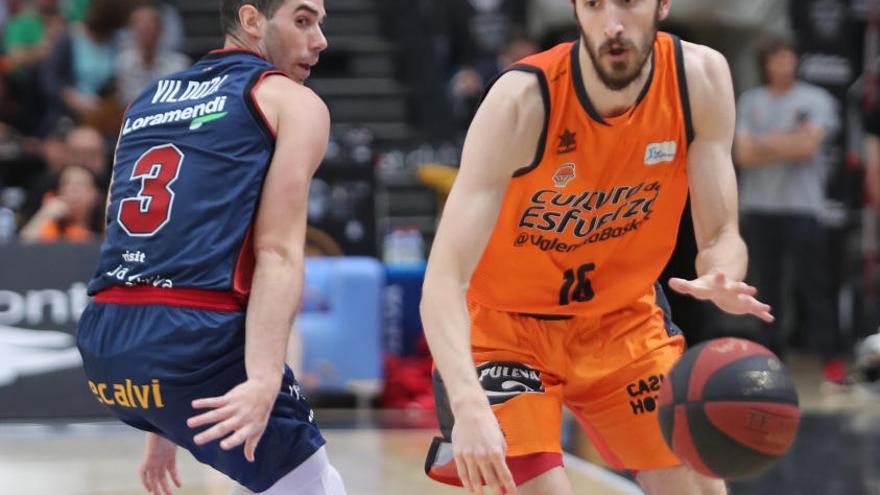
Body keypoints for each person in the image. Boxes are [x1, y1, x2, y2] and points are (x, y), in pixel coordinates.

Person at [420, 1, 772, 494]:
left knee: (697, 483)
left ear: (662, 5)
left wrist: (723, 273)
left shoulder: (699, 79)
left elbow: (720, 235)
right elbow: (443, 280)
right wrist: (467, 401)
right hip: (503, 332)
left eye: (628, 1)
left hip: (622, 321)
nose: (612, 23)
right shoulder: (523, 100)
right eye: (593, 4)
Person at [75, 1, 346, 494]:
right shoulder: (289, 100)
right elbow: (279, 253)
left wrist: (164, 422)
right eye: (303, 21)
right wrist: (264, 380)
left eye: (320, 25)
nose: (320, 40)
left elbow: (129, 230)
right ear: (251, 21)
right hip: (195, 343)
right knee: (316, 488)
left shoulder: (147, 99)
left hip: (105, 344)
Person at [733, 35, 845, 384]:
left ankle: (831, 360)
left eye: (788, 57)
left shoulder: (815, 99)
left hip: (802, 206)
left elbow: (808, 146)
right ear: (765, 64)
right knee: (766, 289)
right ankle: (769, 359)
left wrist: (765, 144)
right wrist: (788, 141)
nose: (783, 64)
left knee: (813, 283)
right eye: (775, 58)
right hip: (760, 207)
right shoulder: (751, 100)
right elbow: (742, 154)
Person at [116, 1, 190, 107]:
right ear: (132, 30)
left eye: (150, 25)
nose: (146, 29)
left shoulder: (179, 65)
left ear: (161, 30)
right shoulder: (120, 64)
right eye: (140, 25)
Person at [19, 164, 103, 242]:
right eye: (66, 184)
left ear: (95, 194)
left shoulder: (107, 228)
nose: (73, 190)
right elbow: (23, 247)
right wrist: (45, 215)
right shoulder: (51, 226)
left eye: (81, 184)